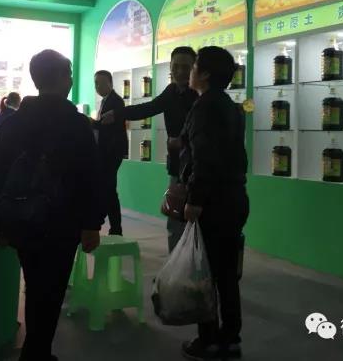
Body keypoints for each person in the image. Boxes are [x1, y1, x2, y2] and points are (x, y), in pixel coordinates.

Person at [0, 50, 104, 361]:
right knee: (51, 290)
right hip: (63, 222)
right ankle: (37, 352)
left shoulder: (13, 123)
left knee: (35, 283)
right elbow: (92, 176)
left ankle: (36, 351)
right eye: (69, 74)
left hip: (21, 219)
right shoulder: (77, 124)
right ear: (63, 79)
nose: (71, 80)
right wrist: (92, 224)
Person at [178, 46, 249, 361]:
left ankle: (207, 340)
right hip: (234, 198)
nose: (189, 72)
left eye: (194, 66)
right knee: (227, 275)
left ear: (204, 73)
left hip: (213, 203)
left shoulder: (204, 107)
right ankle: (230, 339)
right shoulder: (231, 107)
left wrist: (194, 200)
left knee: (204, 274)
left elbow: (204, 159)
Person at [102, 46, 198, 251]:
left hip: (199, 167)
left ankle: (193, 265)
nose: (180, 71)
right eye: (176, 66)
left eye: (186, 67)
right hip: (178, 166)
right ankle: (176, 265)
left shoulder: (200, 95)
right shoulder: (172, 91)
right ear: (170, 67)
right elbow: (149, 108)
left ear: (195, 68)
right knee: (175, 218)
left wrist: (183, 141)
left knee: (196, 221)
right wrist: (118, 114)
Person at [92, 70, 129, 236]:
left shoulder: (116, 101)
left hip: (112, 152)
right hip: (106, 153)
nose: (98, 86)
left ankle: (115, 228)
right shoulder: (105, 101)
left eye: (101, 83)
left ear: (110, 83)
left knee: (108, 190)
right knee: (108, 190)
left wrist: (92, 123)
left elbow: (109, 128)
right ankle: (113, 227)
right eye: (96, 83)